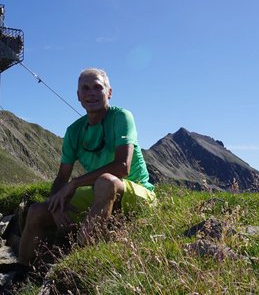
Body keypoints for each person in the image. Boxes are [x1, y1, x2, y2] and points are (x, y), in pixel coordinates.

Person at [19, 68, 156, 266]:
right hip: (100, 192)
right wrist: (55, 206)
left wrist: (75, 183)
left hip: (138, 193)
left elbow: (123, 167)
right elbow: (61, 177)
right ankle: (22, 272)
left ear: (109, 92)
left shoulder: (122, 117)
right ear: (78, 96)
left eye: (98, 87)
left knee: (106, 181)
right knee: (36, 211)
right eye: (85, 88)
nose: (91, 92)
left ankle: (81, 265)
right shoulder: (74, 131)